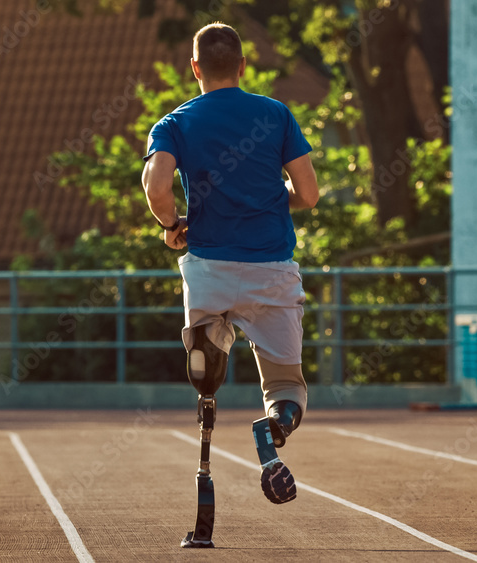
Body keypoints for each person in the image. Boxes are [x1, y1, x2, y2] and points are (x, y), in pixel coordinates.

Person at [141, 22, 319, 505]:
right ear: (243, 65)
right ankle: (276, 424)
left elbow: (156, 186)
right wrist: (275, 198)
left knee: (206, 357)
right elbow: (308, 193)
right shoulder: (276, 115)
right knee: (285, 385)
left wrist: (171, 222)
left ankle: (208, 350)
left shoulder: (176, 123)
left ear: (194, 67)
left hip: (209, 269)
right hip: (272, 270)